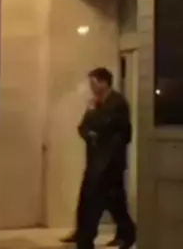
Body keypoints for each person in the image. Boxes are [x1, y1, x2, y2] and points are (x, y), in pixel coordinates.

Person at [63, 67, 136, 249]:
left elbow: (105, 125)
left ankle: (86, 240)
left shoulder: (117, 102)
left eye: (94, 83)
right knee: (111, 202)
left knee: (93, 202)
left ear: (104, 83)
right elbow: (83, 128)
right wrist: (91, 131)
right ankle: (127, 233)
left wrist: (93, 117)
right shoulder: (96, 104)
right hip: (96, 162)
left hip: (110, 163)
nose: (92, 88)